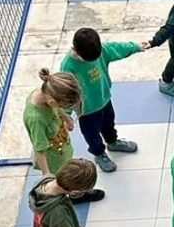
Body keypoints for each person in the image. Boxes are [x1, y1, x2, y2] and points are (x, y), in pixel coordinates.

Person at [59, 28, 144, 172]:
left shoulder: (100, 50)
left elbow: (117, 48)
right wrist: (65, 115)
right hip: (86, 110)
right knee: (92, 134)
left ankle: (113, 142)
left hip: (105, 99)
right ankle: (99, 154)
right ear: (76, 50)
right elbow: (66, 91)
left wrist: (136, 46)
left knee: (109, 123)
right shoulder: (68, 66)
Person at [24, 69, 94, 189]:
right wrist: (46, 175)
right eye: (63, 105)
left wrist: (66, 117)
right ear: (52, 102)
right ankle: (72, 194)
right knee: (63, 182)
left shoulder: (44, 93)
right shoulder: (36, 119)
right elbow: (39, 149)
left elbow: (56, 108)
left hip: (62, 148)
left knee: (69, 169)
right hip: (54, 161)